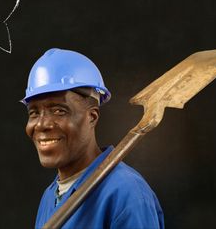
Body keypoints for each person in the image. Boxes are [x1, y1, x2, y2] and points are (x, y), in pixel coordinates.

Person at [21, 48, 164, 229]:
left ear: (92, 117)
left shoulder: (127, 193)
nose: (41, 125)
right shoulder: (50, 196)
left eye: (59, 111)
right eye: (34, 113)